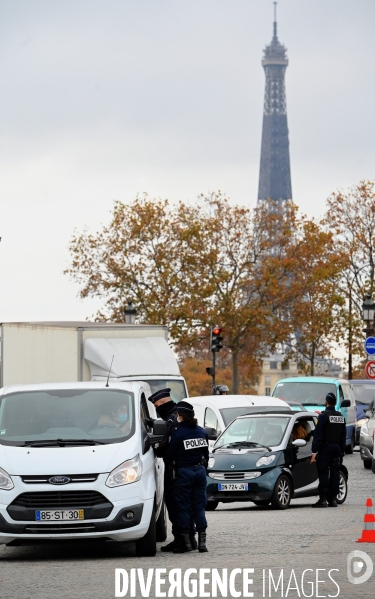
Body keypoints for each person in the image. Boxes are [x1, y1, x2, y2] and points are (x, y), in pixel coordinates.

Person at [148, 388, 197, 552]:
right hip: (191, 469)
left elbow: (166, 448)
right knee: (186, 505)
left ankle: (182, 541)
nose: (157, 409)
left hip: (176, 470)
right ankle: (190, 538)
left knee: (176, 505)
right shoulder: (183, 416)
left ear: (162, 403)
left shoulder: (171, 421)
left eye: (156, 406)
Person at [166, 400, 209, 553]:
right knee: (199, 507)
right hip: (200, 472)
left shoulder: (178, 434)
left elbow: (169, 455)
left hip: (184, 473)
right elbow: (206, 455)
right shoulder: (201, 432)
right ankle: (202, 543)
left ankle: (186, 543)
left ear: (180, 417)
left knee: (183, 507)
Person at [310, 392, 346, 508]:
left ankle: (323, 499)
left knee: (323, 472)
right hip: (336, 448)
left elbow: (318, 435)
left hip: (325, 448)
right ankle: (333, 500)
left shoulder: (323, 416)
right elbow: (343, 436)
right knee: (335, 473)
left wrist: (314, 452)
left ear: (326, 402)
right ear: (335, 403)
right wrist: (342, 451)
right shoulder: (340, 417)